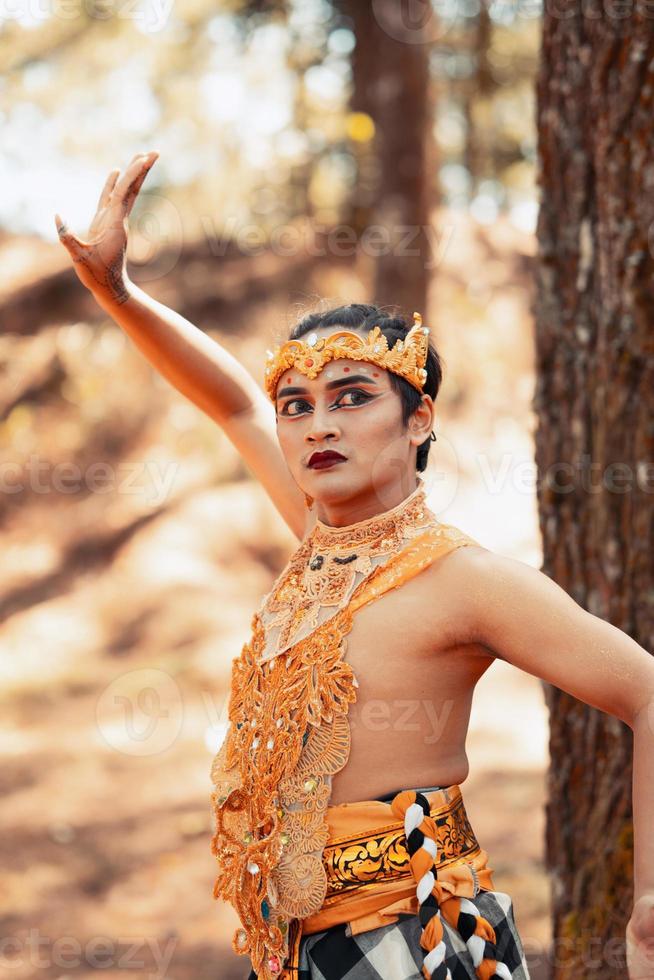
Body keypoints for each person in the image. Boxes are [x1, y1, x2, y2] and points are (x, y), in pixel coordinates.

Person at [56, 152, 654, 980]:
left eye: (352, 397)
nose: (314, 426)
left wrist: (651, 902)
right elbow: (231, 402)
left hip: (414, 939)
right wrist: (116, 292)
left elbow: (647, 691)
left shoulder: (463, 578)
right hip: (294, 948)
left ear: (419, 422)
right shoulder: (316, 540)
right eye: (297, 406)